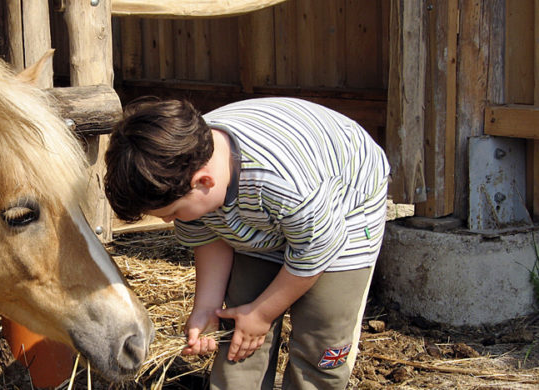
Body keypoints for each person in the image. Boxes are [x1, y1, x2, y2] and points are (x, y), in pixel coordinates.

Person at [104, 97, 390, 389]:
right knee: (238, 326)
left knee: (322, 331)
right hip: (265, 214)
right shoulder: (181, 170)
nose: (169, 222)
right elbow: (208, 237)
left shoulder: (284, 182)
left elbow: (315, 249)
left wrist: (262, 313)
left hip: (344, 208)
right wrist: (207, 306)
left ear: (203, 183)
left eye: (172, 213)